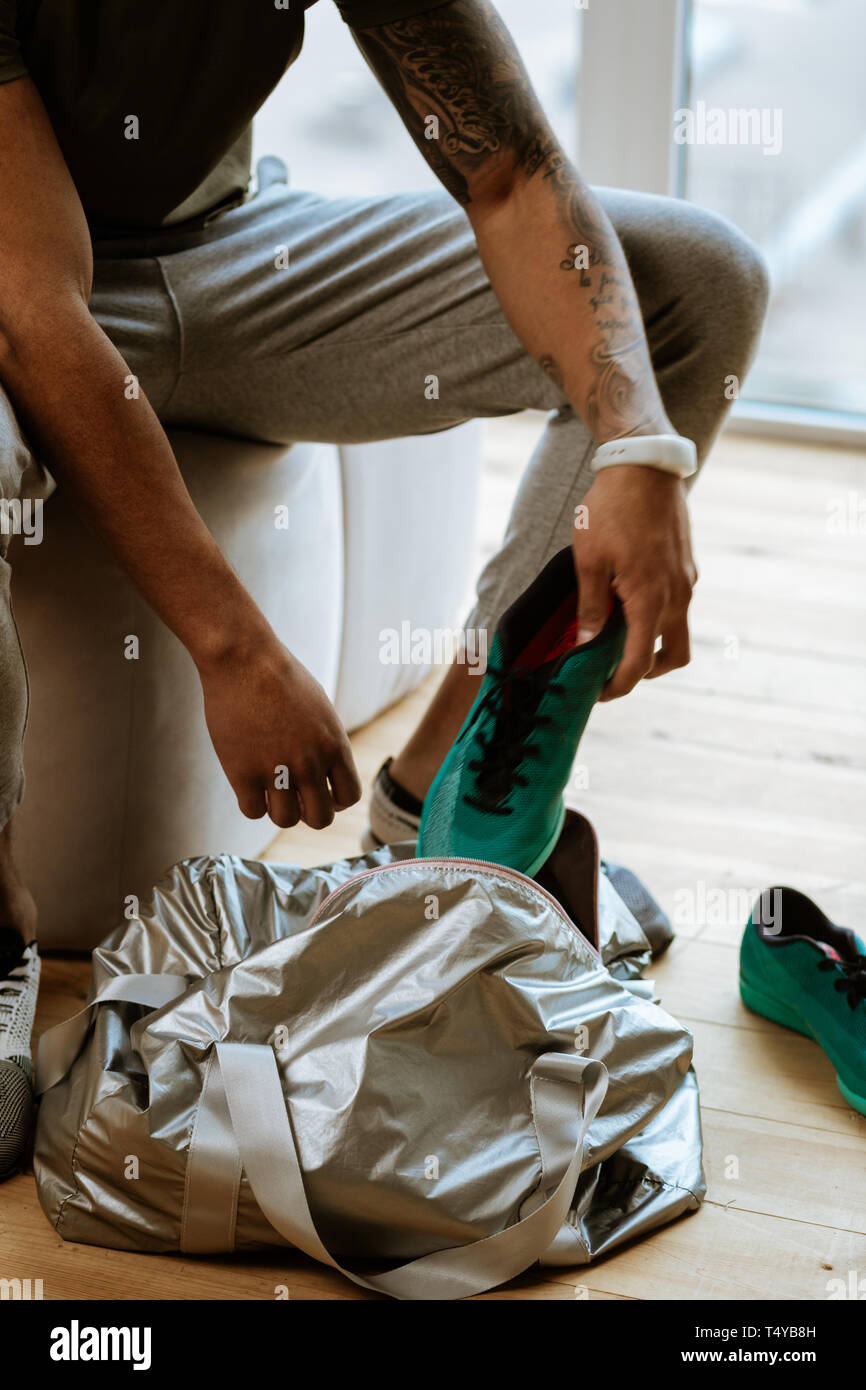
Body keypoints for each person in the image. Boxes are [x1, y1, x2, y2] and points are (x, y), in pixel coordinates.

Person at [0, 0, 769, 1176]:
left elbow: (511, 177)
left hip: (223, 255)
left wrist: (634, 445)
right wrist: (235, 650)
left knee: (694, 282)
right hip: (14, 285)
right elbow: (33, 310)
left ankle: (441, 839)